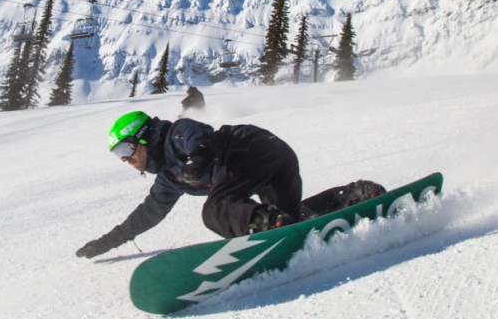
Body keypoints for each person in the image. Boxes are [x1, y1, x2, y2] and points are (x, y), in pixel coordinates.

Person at [75, 111, 385, 259]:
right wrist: (107, 242)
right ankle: (353, 195)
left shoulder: (174, 134)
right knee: (292, 220)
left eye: (125, 150)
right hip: (277, 158)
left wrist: (197, 158)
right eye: (118, 156)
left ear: (143, 137)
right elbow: (147, 214)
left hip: (251, 148)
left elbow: (196, 136)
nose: (126, 160)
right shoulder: (168, 178)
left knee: (216, 210)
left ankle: (269, 226)